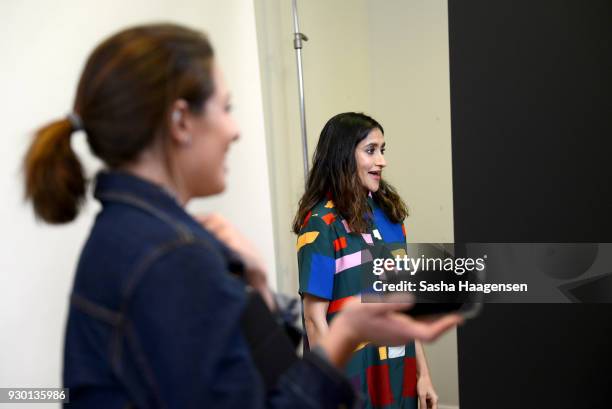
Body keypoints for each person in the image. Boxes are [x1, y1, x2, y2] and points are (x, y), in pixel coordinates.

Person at [22, 24, 461, 408]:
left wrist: (261, 294)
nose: (235, 130)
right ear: (180, 121)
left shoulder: (136, 235)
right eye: (227, 108)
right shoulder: (171, 256)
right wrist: (345, 337)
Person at [294, 112, 441, 409]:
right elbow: (314, 320)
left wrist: (424, 375)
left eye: (382, 150)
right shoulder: (321, 224)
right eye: (371, 150)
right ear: (344, 156)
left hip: (400, 377)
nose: (382, 161)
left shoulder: (389, 217)